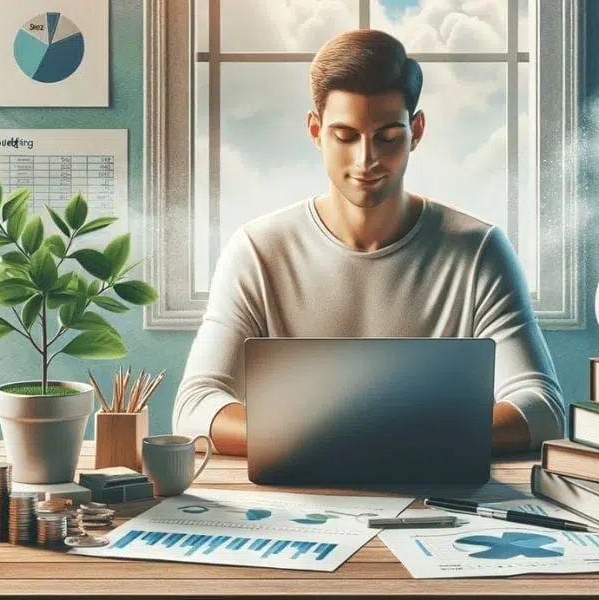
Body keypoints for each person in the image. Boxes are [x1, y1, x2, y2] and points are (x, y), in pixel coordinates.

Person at [173, 29, 565, 457]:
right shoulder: (256, 251)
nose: (366, 160)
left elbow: (542, 408)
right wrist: (360, 437)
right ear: (315, 130)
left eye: (388, 136)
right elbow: (194, 408)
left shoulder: (480, 250)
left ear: (416, 131)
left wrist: (364, 436)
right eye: (345, 136)